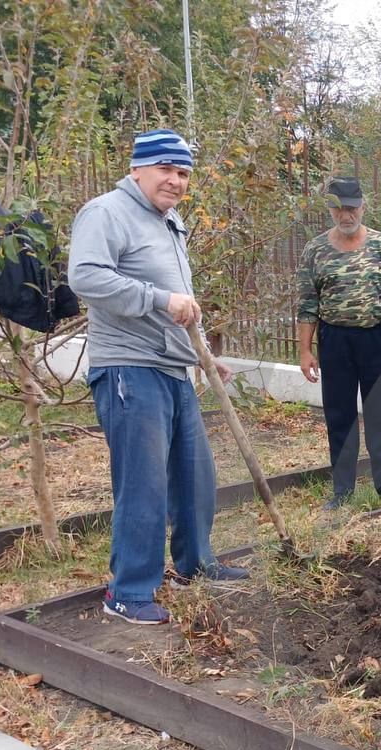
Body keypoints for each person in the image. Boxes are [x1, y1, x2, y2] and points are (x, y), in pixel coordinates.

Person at [69, 129, 246, 626]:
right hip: (129, 368)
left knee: (195, 474)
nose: (175, 180)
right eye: (166, 169)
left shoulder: (170, 222)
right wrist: (157, 300)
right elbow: (85, 276)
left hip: (175, 368)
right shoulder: (106, 213)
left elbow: (182, 296)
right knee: (143, 484)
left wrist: (206, 355)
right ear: (138, 169)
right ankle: (127, 592)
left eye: (183, 172)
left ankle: (195, 564)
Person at [296, 177, 381, 509]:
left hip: (375, 339)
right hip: (334, 341)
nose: (345, 215)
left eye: (351, 208)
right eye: (338, 209)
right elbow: (306, 305)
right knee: (340, 415)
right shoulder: (315, 250)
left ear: (363, 207)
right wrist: (305, 351)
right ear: (330, 210)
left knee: (379, 417)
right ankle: (342, 491)